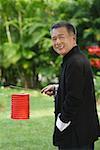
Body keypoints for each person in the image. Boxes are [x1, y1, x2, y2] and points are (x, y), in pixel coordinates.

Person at [41, 21, 100, 150]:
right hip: (79, 131)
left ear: (73, 38)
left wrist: (61, 122)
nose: (57, 42)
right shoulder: (73, 58)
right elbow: (77, 87)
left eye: (61, 37)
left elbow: (74, 97)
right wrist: (58, 88)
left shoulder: (75, 62)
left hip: (76, 133)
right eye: (54, 38)